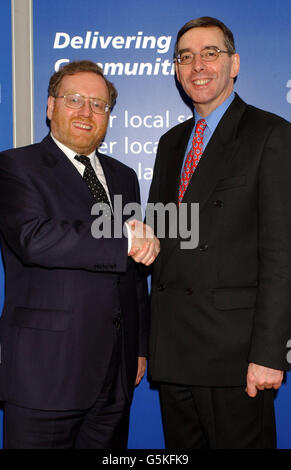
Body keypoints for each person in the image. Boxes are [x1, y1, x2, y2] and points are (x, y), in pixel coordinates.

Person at [147, 17, 291, 449]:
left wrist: (269, 354)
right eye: (185, 57)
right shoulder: (171, 142)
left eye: (210, 53)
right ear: (176, 70)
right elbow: (162, 237)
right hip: (173, 350)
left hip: (235, 356)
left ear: (235, 63)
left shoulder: (272, 135)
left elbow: (283, 256)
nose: (197, 66)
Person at [0, 60, 159, 449]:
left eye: (99, 104)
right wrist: (123, 239)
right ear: (51, 106)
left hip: (114, 376)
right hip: (45, 376)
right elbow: (33, 238)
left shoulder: (123, 176)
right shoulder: (15, 166)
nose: (87, 112)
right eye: (75, 100)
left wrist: (138, 348)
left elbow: (134, 272)